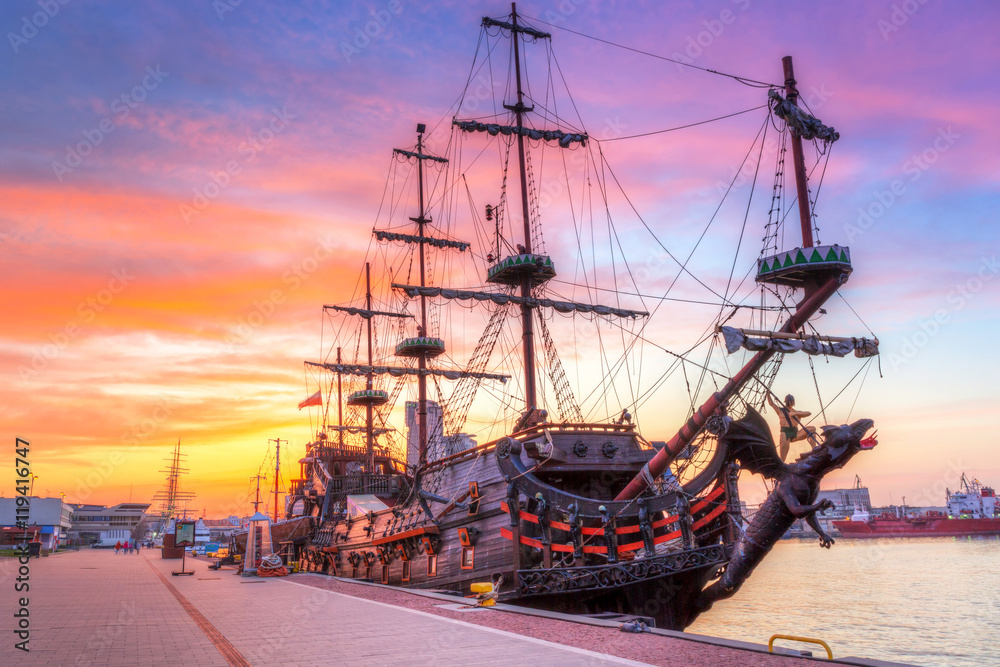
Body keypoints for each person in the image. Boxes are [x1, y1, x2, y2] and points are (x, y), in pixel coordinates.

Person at [766, 393, 817, 461]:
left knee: (812, 429)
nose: (789, 403)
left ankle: (815, 450)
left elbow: (808, 413)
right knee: (783, 436)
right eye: (788, 401)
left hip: (795, 434)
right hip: (785, 434)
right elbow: (771, 403)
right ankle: (782, 462)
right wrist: (768, 394)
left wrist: (795, 413)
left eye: (790, 401)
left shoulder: (796, 412)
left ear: (793, 402)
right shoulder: (780, 410)